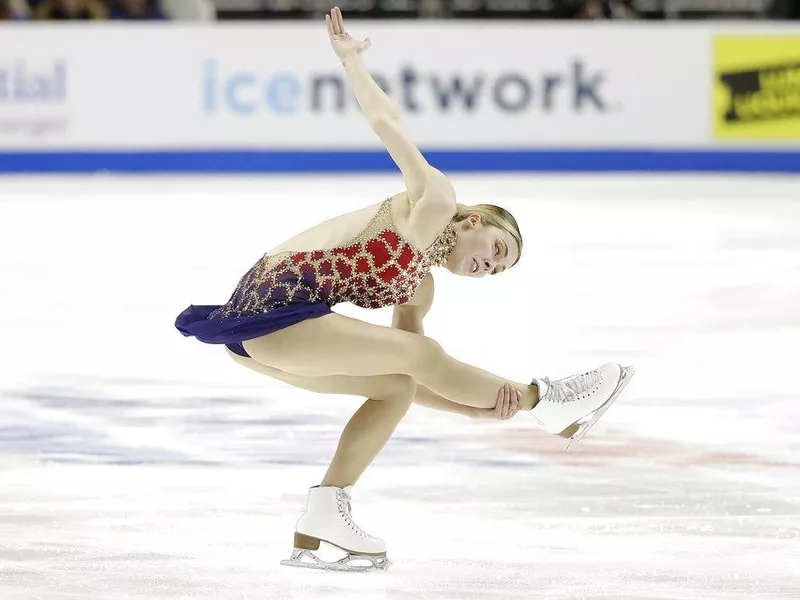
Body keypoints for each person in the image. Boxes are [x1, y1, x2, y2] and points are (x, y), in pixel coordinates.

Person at [175, 6, 634, 572]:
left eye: (499, 269)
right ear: (472, 222)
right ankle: (549, 402)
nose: (488, 266)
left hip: (282, 334)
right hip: (270, 303)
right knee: (419, 353)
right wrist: (351, 63)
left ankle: (323, 513)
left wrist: (477, 411)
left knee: (393, 385)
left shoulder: (418, 290)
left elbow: (413, 376)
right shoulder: (434, 200)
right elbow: (387, 124)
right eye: (495, 249)